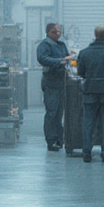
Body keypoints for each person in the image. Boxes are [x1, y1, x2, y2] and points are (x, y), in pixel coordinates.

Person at [75, 25, 104, 163]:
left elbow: (80, 73)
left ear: (94, 35)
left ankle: (87, 153)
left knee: (88, 122)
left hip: (90, 91)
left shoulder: (84, 53)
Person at [36, 23, 75, 151]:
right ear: (47, 32)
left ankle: (60, 139)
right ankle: (51, 140)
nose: (57, 34)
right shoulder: (44, 45)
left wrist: (72, 59)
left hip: (62, 83)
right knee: (52, 112)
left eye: (59, 32)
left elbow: (68, 59)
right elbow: (43, 59)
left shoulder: (61, 45)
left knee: (59, 113)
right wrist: (61, 60)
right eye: (54, 32)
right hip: (51, 83)